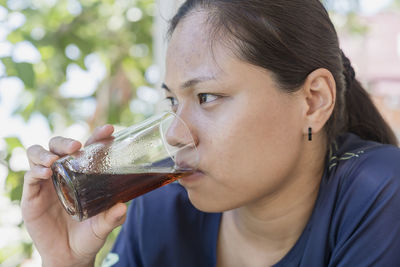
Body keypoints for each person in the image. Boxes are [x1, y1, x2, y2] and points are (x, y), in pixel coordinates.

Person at [22, 0, 400, 266]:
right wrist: (66, 263)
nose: (174, 134)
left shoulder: (379, 194)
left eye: (206, 97)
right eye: (173, 102)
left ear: (313, 101)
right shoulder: (159, 213)